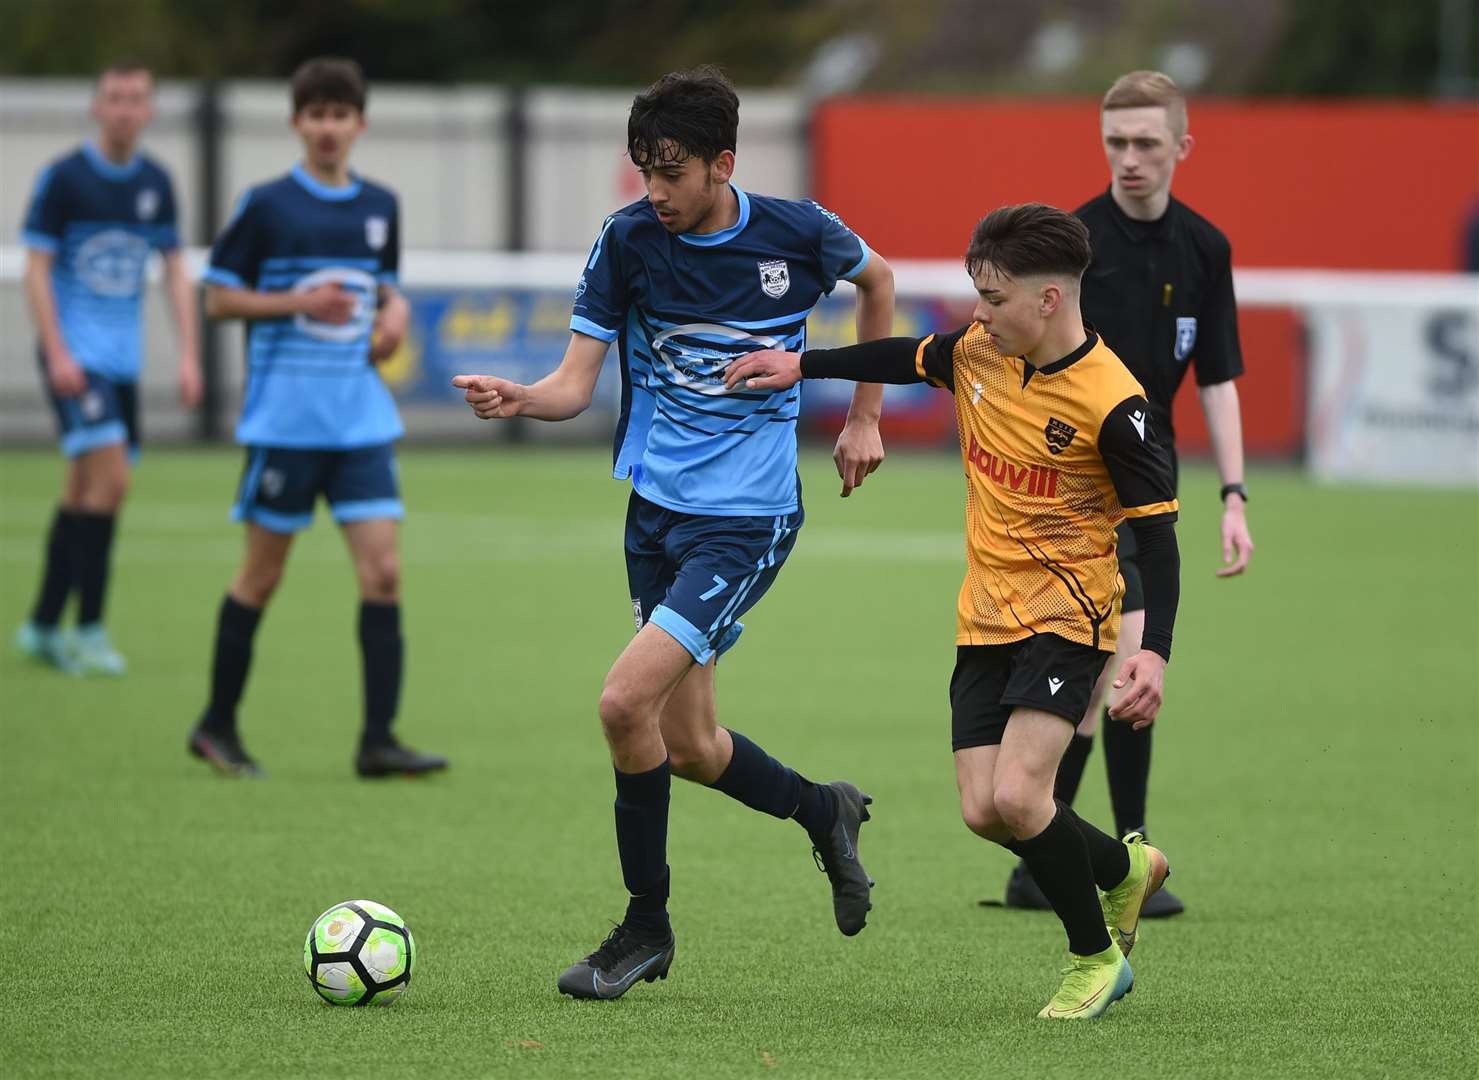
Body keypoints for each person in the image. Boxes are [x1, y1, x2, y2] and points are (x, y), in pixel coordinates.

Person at [453, 66, 895, 1000]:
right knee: (692, 746)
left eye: (670, 171)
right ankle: (823, 810)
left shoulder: (796, 232)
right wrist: (523, 398)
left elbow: (879, 280)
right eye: (643, 170)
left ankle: (644, 929)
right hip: (654, 515)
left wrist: (864, 415)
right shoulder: (626, 242)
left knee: (623, 705)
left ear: (721, 164)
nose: (653, 191)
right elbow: (575, 386)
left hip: (746, 521)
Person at [724, 203, 1178, 1020]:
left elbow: (1159, 536)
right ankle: (1121, 870)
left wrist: (1154, 651)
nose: (977, 312)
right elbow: (907, 355)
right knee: (981, 810)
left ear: (1047, 300)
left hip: (1070, 617)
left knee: (1018, 797)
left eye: (993, 297)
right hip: (985, 615)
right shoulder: (979, 352)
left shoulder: (1115, 403)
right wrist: (803, 363)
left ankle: (1093, 959)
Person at [1002, 71, 1254, 918]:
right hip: (1075, 484)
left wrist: (1234, 493)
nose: (1130, 158)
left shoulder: (1205, 248)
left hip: (1152, 480)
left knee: (1121, 664)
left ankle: (1055, 858)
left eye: (1147, 141)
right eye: (1116, 142)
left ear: (1182, 145)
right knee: (1123, 657)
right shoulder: (1072, 243)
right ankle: (1109, 859)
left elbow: (1216, 378)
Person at [186, 57, 446, 780]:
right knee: (261, 578)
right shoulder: (268, 205)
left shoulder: (379, 205)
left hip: (359, 421)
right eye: (316, 114)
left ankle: (378, 740)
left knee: (384, 573)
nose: (328, 127)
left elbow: (386, 287)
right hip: (286, 423)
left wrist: (392, 315)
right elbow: (217, 298)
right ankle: (215, 725)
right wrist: (298, 303)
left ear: (359, 124)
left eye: (340, 114)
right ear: (296, 122)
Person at [16, 61, 201, 675]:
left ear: (149, 111)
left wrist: (190, 353)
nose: (125, 109)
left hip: (121, 365)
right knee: (112, 484)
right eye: (114, 98)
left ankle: (42, 624)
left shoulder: (156, 182)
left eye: (136, 99)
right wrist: (58, 351)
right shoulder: (64, 179)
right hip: (75, 358)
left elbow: (174, 269)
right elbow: (37, 268)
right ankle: (89, 627)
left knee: (84, 489)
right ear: (97, 107)